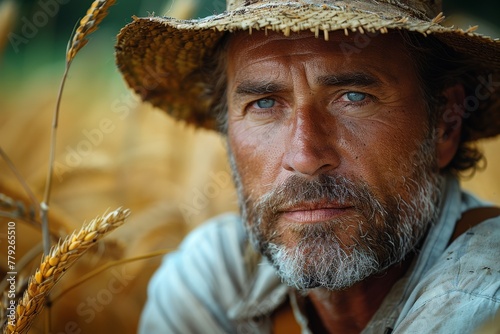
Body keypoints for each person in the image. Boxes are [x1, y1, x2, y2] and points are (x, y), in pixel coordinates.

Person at [115, 0, 500, 333]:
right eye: (264, 103)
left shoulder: (482, 290)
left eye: (353, 97)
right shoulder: (213, 278)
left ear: (445, 123)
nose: (304, 157)